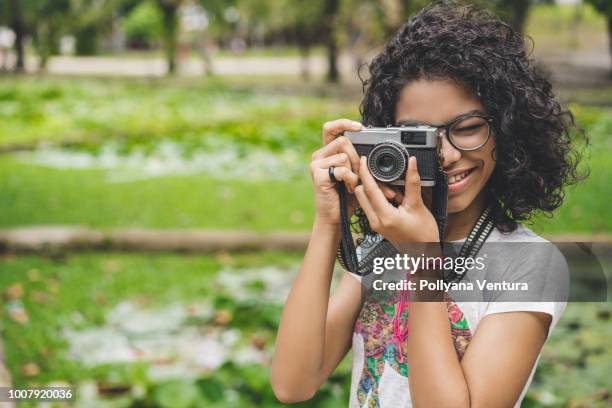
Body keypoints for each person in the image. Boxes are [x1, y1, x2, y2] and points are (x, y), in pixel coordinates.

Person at [270, 2, 584, 407]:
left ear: (507, 128)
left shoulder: (529, 264)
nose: (448, 154)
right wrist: (329, 222)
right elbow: (292, 384)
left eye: (467, 128)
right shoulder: (383, 248)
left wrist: (423, 258)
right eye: (420, 136)